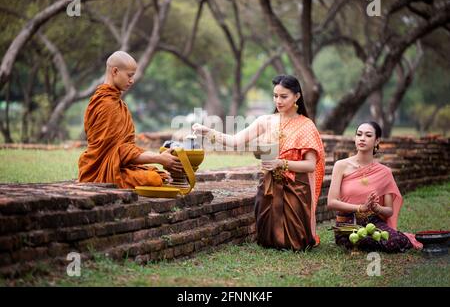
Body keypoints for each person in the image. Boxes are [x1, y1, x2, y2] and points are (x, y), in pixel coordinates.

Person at [192, 75, 325, 251]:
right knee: (267, 240)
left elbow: (310, 165)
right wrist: (208, 132)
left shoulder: (306, 126)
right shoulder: (266, 121)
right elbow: (235, 141)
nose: (278, 100)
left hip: (295, 187)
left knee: (296, 243)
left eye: (284, 96)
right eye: (275, 96)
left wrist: (280, 163)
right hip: (269, 185)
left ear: (297, 96)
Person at [78, 51, 183, 189]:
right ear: (115, 71)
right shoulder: (107, 105)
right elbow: (120, 152)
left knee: (158, 175)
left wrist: (158, 158)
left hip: (115, 165)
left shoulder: (116, 103)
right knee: (154, 179)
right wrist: (158, 158)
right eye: (129, 75)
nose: (132, 80)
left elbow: (124, 149)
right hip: (101, 171)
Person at [327, 121, 422, 252]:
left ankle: (403, 237)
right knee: (360, 240)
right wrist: (361, 208)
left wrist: (376, 208)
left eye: (368, 135)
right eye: (359, 134)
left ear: (377, 141)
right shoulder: (341, 166)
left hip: (373, 221)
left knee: (392, 242)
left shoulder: (384, 172)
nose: (362, 138)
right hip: (348, 223)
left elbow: (389, 211)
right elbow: (331, 202)